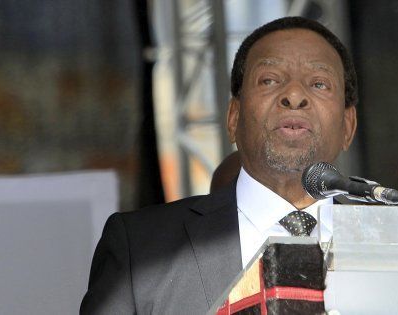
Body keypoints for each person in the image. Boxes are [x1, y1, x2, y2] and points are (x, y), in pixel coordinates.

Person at [80, 16, 358, 314]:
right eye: (269, 80)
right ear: (233, 117)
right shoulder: (141, 248)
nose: (293, 95)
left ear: (347, 126)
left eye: (319, 83)